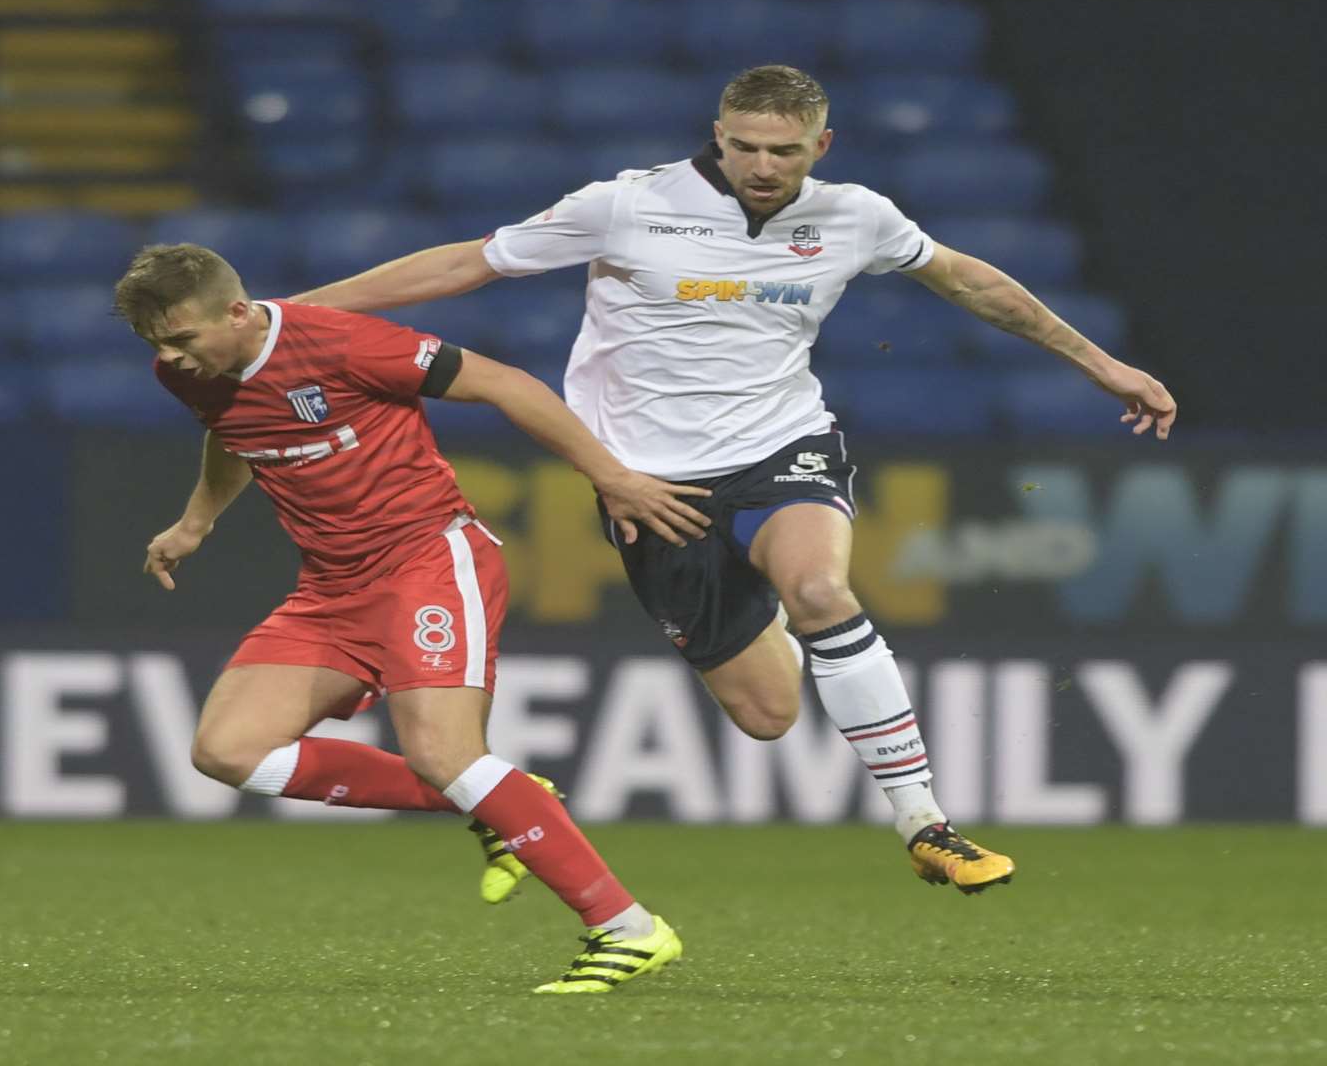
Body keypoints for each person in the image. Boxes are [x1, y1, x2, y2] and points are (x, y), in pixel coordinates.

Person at [293, 65, 1179, 897]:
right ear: (717, 135)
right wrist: (295, 316)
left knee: (823, 585)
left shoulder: (856, 215)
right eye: (744, 146)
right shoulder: (626, 205)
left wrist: (1098, 362)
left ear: (820, 148)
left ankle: (924, 823)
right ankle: (823, 652)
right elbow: (465, 263)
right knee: (767, 712)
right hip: (648, 486)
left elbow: (971, 282)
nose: (761, 165)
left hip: (780, 446)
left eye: (784, 150)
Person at [115, 241, 710, 993]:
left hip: (426, 560)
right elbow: (232, 429)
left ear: (236, 311)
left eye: (182, 338)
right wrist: (196, 522)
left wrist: (614, 479)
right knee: (229, 750)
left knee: (446, 756)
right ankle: (504, 797)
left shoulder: (340, 341)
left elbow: (505, 384)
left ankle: (627, 928)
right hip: (332, 587)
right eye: (158, 345)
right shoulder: (185, 372)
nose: (172, 358)